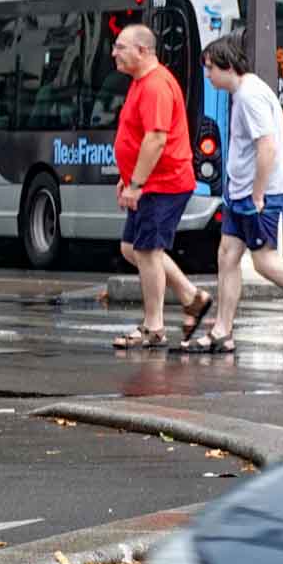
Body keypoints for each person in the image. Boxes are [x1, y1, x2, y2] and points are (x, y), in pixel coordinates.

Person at [185, 34, 283, 353]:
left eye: (210, 68)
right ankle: (222, 330)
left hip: (255, 194)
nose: (207, 74)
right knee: (227, 255)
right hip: (240, 192)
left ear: (228, 65)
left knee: (266, 262)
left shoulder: (249, 96)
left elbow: (267, 147)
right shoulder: (245, 92)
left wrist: (257, 195)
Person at [109, 24, 212, 350]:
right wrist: (128, 176)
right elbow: (139, 136)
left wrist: (136, 183)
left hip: (163, 183)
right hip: (150, 181)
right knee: (132, 248)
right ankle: (190, 297)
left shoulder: (155, 85)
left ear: (142, 51)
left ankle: (154, 327)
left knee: (148, 251)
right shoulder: (141, 82)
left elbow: (156, 139)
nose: (114, 53)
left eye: (120, 47)